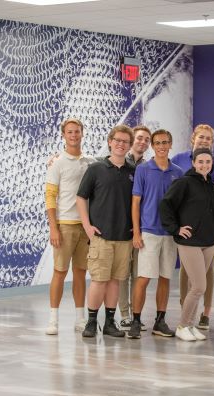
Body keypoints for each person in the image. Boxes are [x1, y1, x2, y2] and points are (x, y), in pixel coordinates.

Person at [76, 125, 135, 338]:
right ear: (110, 141)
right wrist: (87, 226)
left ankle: (110, 323)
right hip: (101, 236)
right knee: (99, 280)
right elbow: (81, 197)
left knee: (115, 281)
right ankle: (91, 322)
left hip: (124, 237)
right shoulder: (96, 168)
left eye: (125, 142)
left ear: (129, 146)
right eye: (117, 140)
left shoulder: (133, 171)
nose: (121, 144)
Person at [126, 129, 183, 339]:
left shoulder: (178, 172)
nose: (161, 146)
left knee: (165, 277)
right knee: (143, 278)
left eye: (165, 142)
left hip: (169, 233)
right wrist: (137, 232)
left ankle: (160, 321)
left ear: (170, 144)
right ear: (152, 146)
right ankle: (136, 320)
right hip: (149, 232)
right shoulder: (143, 170)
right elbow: (135, 203)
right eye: (157, 143)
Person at [160, 148, 214, 341]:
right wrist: (175, 229)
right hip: (190, 242)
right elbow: (166, 205)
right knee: (199, 286)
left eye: (208, 162)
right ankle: (182, 325)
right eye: (200, 161)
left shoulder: (212, 186)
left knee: (196, 285)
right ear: (193, 163)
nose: (204, 165)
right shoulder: (184, 182)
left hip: (209, 242)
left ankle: (191, 326)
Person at [44, 118, 96, 335]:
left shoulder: (91, 162)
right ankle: (53, 320)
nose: (74, 135)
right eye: (69, 132)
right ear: (63, 135)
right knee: (59, 272)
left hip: (85, 226)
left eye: (77, 131)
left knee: (80, 273)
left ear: (82, 133)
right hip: (64, 225)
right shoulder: (57, 163)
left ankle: (80, 319)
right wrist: (53, 228)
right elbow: (50, 196)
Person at [171, 124, 214, 330]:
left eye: (208, 138)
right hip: (188, 232)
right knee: (189, 274)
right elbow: (172, 197)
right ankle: (186, 315)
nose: (204, 141)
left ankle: (204, 314)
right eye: (201, 137)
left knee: (207, 274)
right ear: (193, 138)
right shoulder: (179, 160)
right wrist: (176, 226)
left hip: (208, 231)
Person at [119, 125, 151, 332]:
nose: (143, 142)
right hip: (122, 228)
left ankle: (135, 315)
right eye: (140, 138)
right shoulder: (120, 162)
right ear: (132, 140)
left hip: (141, 229)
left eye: (147, 139)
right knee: (123, 274)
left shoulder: (148, 167)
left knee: (139, 274)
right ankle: (124, 315)